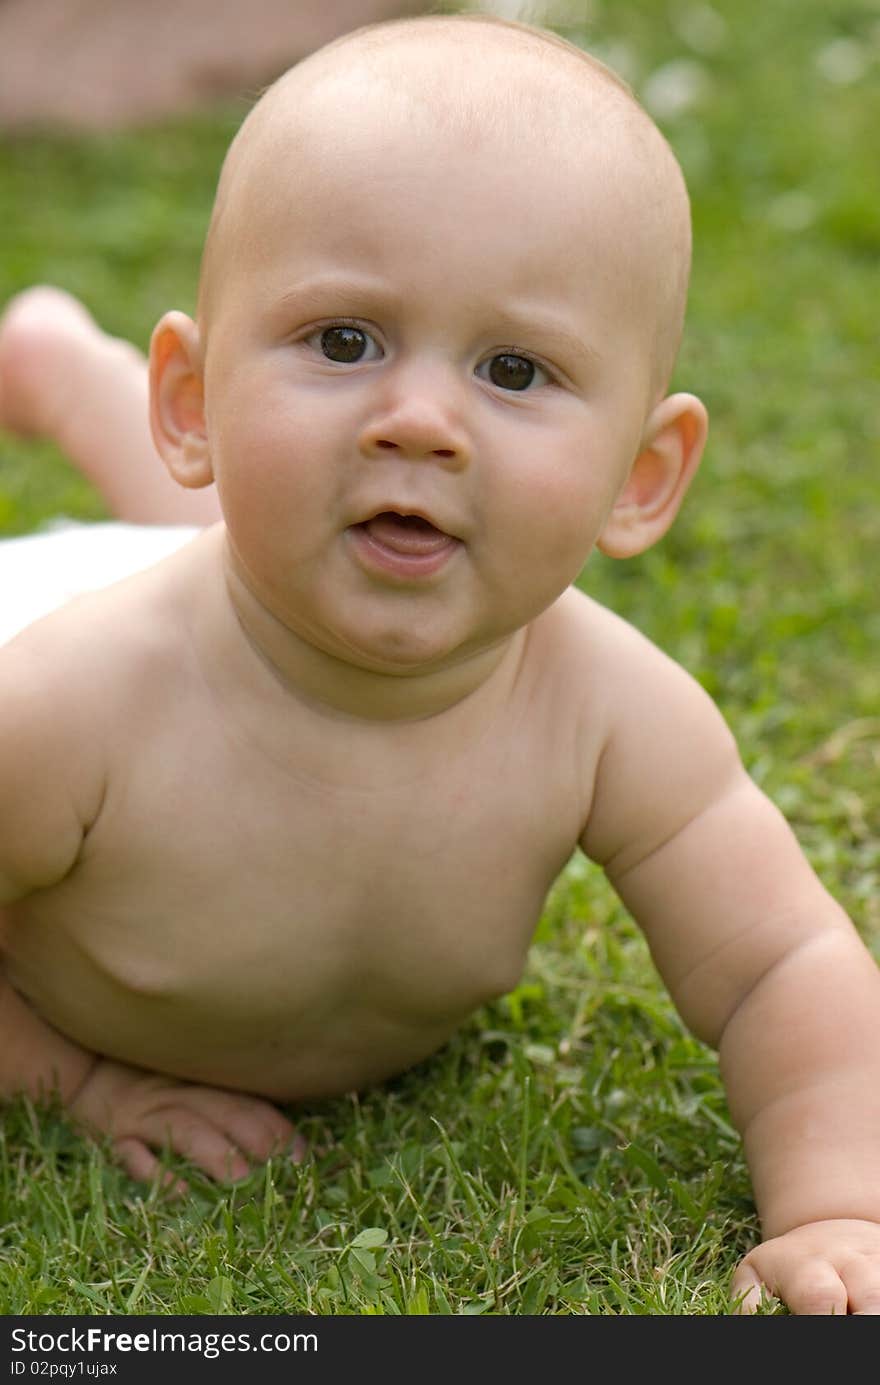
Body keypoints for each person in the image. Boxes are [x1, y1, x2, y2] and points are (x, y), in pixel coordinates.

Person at [1, 13, 879, 1318]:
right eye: (345, 341)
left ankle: (70, 374)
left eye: (514, 368)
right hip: (57, 599)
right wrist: (80, 1081)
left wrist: (840, 1206)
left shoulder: (610, 714)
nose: (421, 422)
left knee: (276, 528)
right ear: (193, 403)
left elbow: (779, 962)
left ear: (641, 481)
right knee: (231, 542)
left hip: (231, 562)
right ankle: (85, 380)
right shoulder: (65, 705)